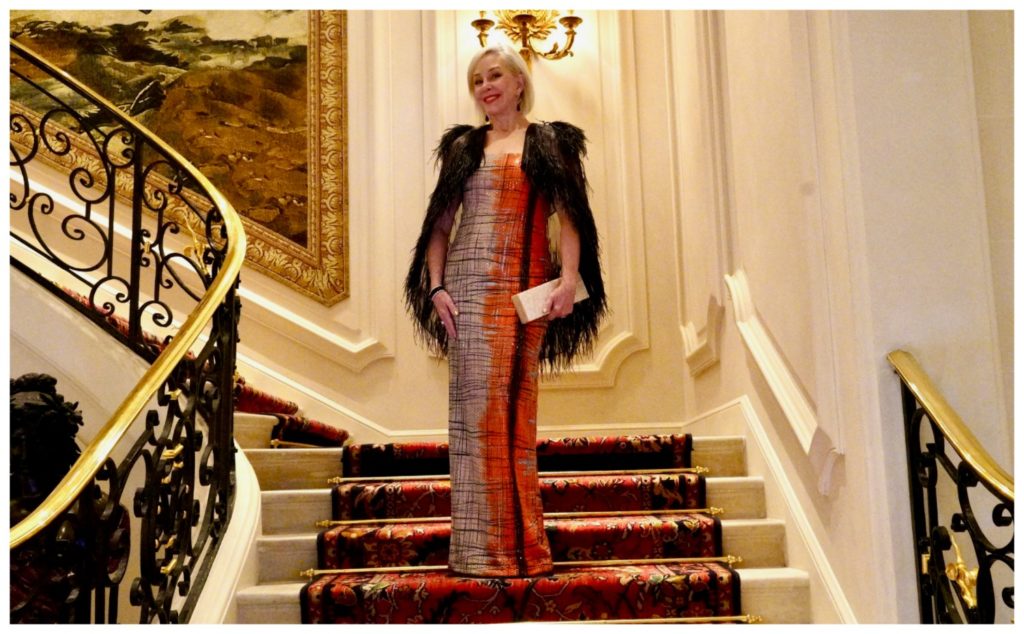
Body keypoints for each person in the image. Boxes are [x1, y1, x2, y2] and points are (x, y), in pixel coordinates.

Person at [404, 44, 607, 578]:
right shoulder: (464, 147)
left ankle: (523, 548)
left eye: (495, 75)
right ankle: (477, 551)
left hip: (523, 292)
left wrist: (567, 279)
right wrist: (436, 288)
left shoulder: (549, 141)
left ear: (519, 83)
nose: (486, 86)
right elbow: (440, 225)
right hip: (466, 293)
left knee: (513, 413)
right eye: (477, 80)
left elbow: (569, 216)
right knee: (473, 418)